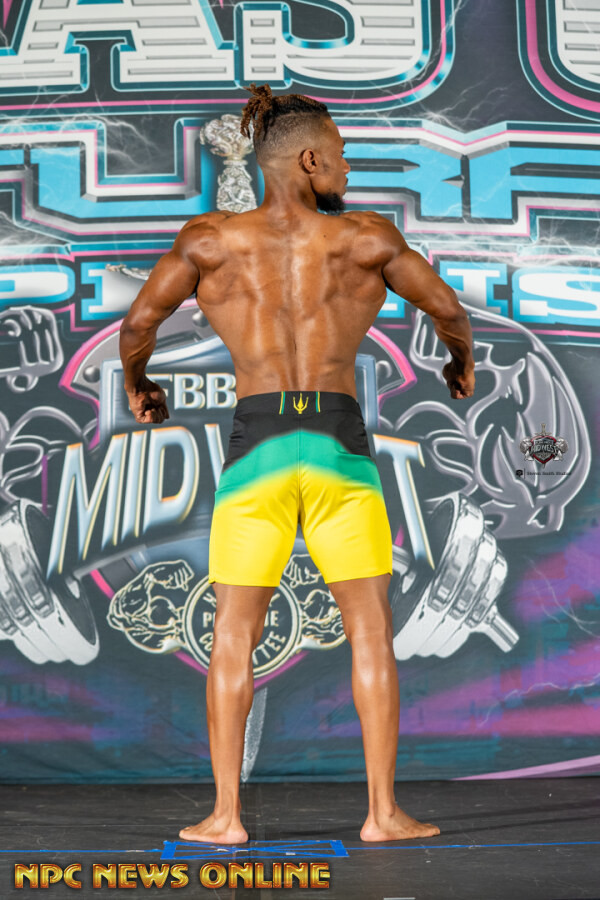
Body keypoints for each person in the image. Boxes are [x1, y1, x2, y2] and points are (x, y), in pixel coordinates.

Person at [119, 82, 475, 844]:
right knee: (370, 628)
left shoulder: (210, 242)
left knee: (232, 634)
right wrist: (459, 362)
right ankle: (382, 814)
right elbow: (448, 309)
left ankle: (225, 817)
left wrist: (139, 385)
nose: (347, 164)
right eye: (341, 152)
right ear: (310, 160)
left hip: (259, 450)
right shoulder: (366, 239)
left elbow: (140, 321)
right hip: (339, 447)